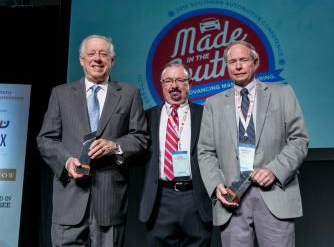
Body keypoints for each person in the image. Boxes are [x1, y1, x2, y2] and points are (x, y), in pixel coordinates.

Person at [37, 35, 148, 247]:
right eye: (91, 54)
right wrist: (67, 161)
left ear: (112, 61)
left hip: (109, 200)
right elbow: (45, 139)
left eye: (103, 54)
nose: (97, 59)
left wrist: (115, 146)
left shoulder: (129, 94)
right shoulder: (60, 94)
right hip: (69, 197)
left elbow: (141, 138)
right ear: (81, 60)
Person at [198, 41, 309, 247]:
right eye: (232, 62)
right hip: (232, 197)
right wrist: (216, 186)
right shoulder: (213, 103)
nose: (238, 66)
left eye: (243, 60)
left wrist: (275, 170)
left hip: (274, 193)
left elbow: (299, 140)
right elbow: (205, 151)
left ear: (255, 63)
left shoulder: (282, 94)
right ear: (227, 66)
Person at [139, 62, 212, 247]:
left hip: (196, 197)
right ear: (161, 84)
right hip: (160, 199)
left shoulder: (206, 115)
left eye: (180, 80)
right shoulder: (146, 117)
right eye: (168, 81)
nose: (174, 86)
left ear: (190, 84)